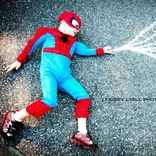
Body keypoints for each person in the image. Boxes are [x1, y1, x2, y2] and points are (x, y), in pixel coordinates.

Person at [1, 11, 112, 151]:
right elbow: (32, 44)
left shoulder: (74, 43)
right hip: (49, 73)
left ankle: (81, 133)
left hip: (65, 77)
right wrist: (19, 60)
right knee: (50, 101)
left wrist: (102, 50)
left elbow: (87, 50)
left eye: (78, 29)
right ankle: (14, 117)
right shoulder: (48, 33)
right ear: (64, 22)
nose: (77, 30)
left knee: (84, 97)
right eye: (75, 26)